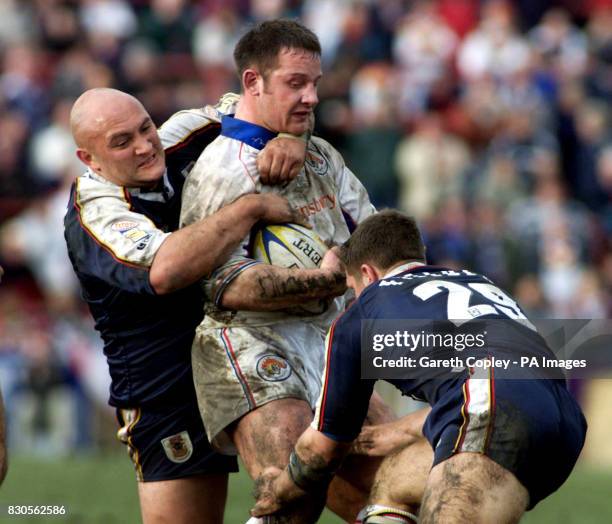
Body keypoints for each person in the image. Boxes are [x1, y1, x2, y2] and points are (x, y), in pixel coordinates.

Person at [179, 19, 392, 522]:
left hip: (330, 342)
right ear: (253, 82)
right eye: (296, 83)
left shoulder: (321, 155)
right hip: (252, 344)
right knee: (290, 495)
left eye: (315, 83)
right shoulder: (221, 170)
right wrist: (331, 277)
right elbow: (223, 285)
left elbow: (376, 238)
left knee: (395, 491)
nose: (312, 97)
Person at [64, 87, 308, 524]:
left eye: (144, 128)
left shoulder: (185, 134)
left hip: (252, 349)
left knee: (302, 490)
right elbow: (167, 269)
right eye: (121, 142)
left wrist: (292, 136)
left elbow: (270, 101)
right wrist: (249, 208)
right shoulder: (94, 210)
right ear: (89, 159)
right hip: (167, 386)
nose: (144, 146)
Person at [251, 210, 588, 523]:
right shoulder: (478, 282)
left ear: (367, 274)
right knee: (395, 481)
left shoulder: (364, 309)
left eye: (355, 287)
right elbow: (506, 382)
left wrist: (278, 489)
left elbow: (323, 449)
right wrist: (394, 432)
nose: (356, 295)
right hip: (563, 421)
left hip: (492, 407)